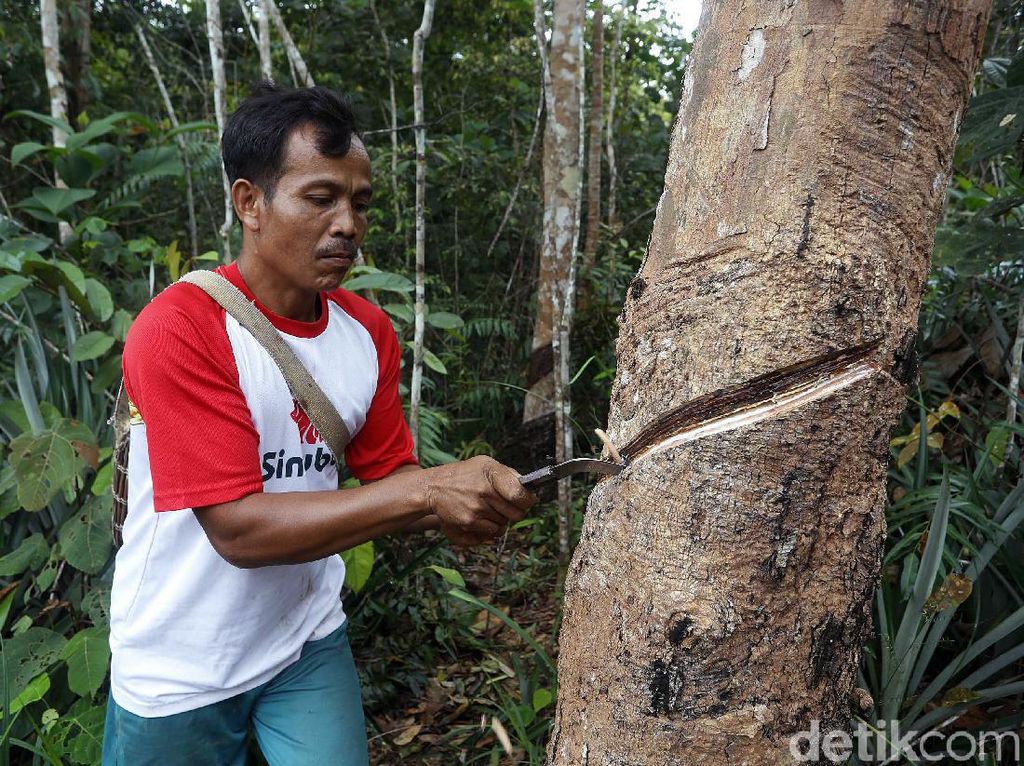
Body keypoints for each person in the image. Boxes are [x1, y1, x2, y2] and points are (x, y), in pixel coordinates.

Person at [102, 82, 537, 766]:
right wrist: (427, 493)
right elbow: (238, 529)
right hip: (179, 662)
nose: (347, 225)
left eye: (360, 204)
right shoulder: (181, 329)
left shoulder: (367, 332)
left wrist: (459, 502)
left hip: (304, 641)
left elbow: (390, 476)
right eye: (320, 198)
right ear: (250, 202)